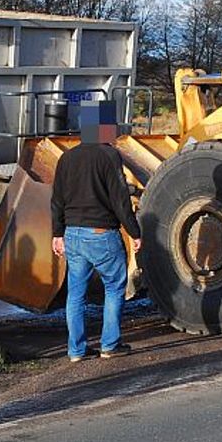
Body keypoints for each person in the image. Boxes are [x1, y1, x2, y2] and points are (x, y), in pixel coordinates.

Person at [50, 100, 141, 361]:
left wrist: (57, 234)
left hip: (73, 235)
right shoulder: (109, 155)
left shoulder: (67, 158)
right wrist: (134, 232)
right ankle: (110, 345)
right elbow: (120, 199)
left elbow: (57, 200)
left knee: (75, 294)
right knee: (114, 286)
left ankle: (76, 350)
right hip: (101, 233)